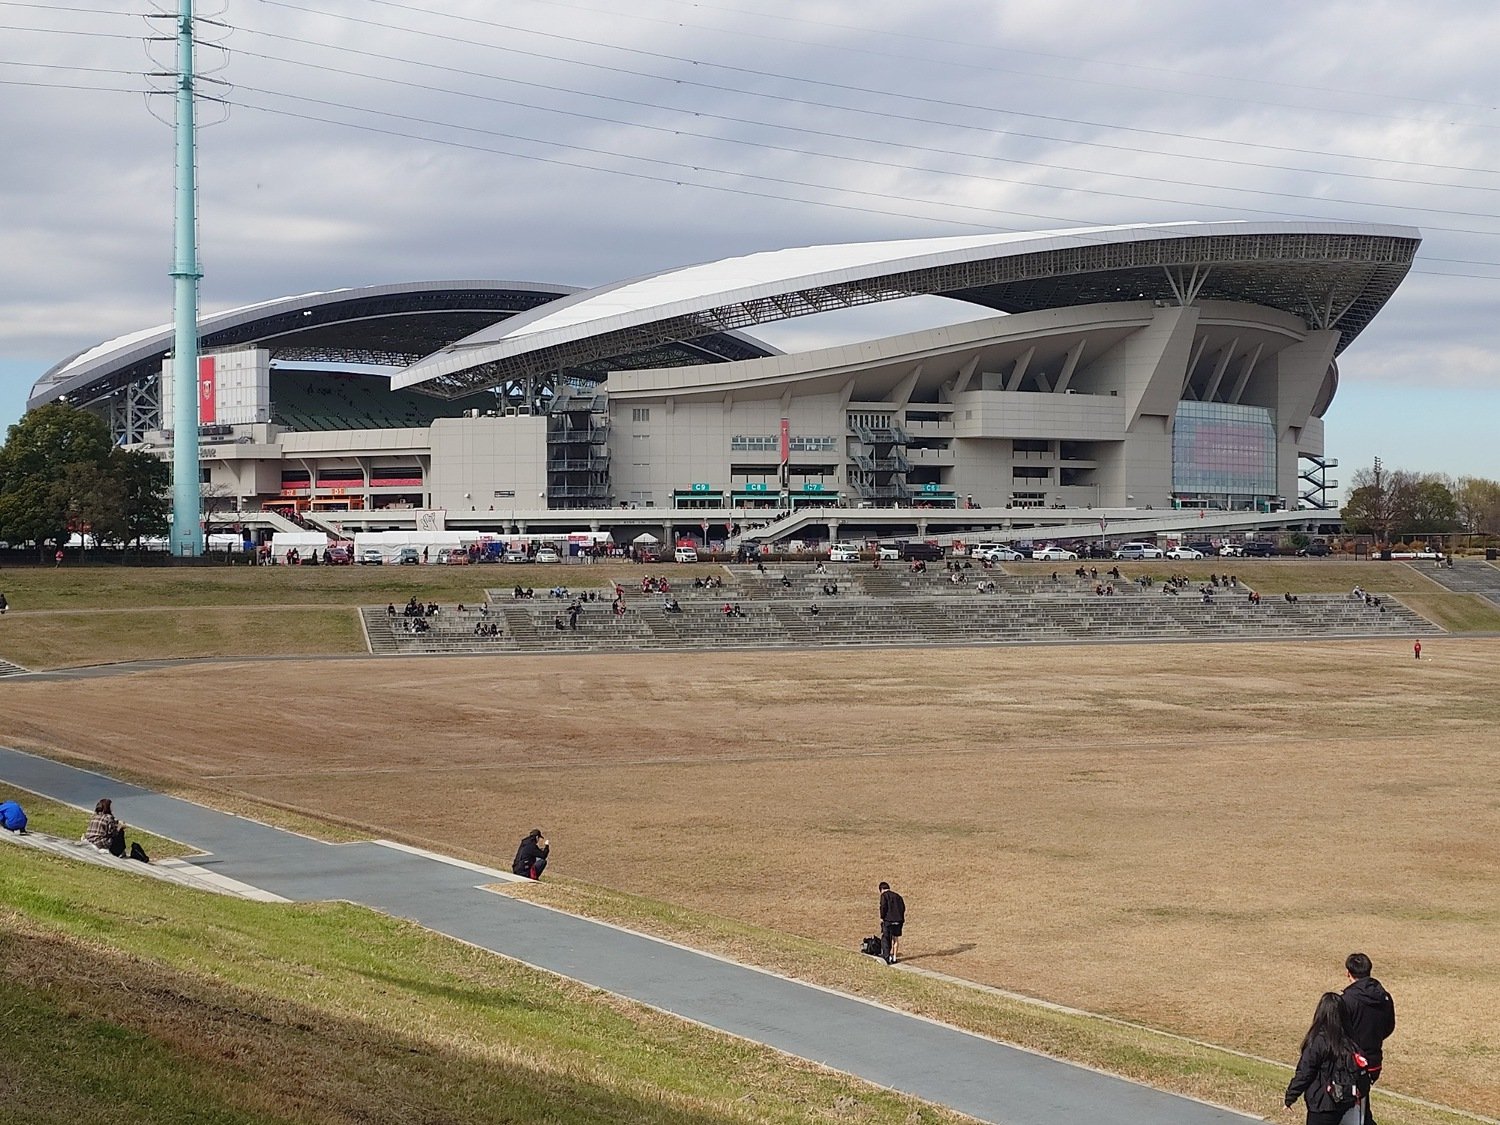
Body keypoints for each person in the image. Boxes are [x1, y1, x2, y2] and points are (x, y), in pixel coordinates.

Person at [1284, 991, 1369, 1124]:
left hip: (1321, 1104)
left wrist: (1291, 1096)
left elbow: (1305, 1072)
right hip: (1346, 1103)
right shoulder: (1351, 1042)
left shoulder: (1318, 1041)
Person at [1342, 954, 1396, 1124]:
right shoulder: (1384, 997)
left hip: (1352, 1064)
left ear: (1348, 973)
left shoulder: (1347, 1000)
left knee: (1350, 1110)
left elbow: (1339, 1032)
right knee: (1361, 1107)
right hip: (1374, 1061)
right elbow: (1389, 1027)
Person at [878, 881, 905, 965]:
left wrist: (882, 917)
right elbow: (903, 907)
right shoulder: (898, 896)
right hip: (898, 920)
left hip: (888, 920)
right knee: (895, 939)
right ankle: (894, 957)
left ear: (881, 889)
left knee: (886, 938)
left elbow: (883, 907)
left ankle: (887, 957)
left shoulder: (884, 896)